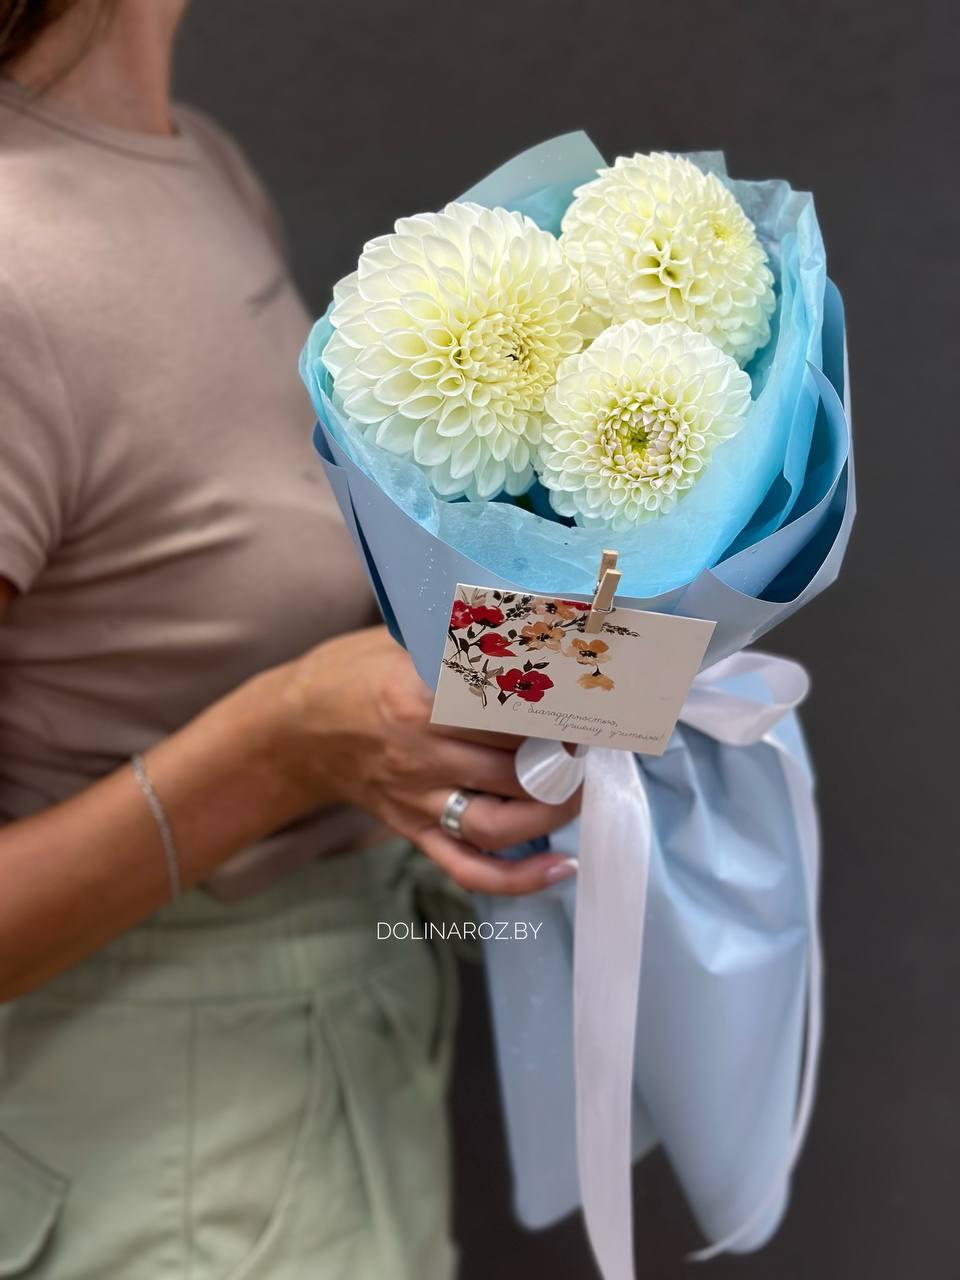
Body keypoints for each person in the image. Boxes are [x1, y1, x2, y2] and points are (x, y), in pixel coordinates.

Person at [0, 2, 580, 1275]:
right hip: (156, 1167)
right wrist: (280, 748)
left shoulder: (193, 160)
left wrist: (609, 669)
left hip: (328, 1098)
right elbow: (291, 713)